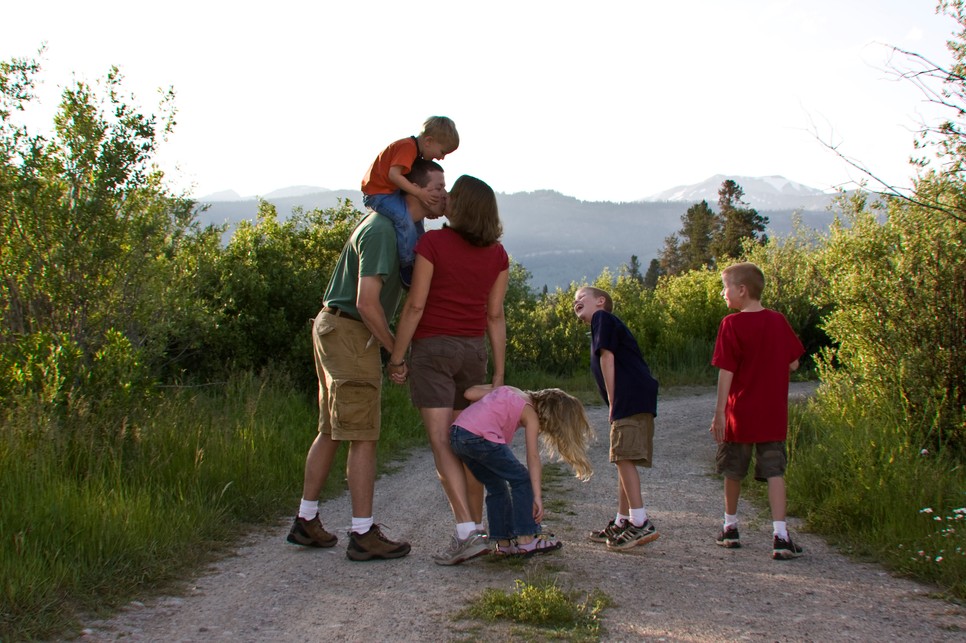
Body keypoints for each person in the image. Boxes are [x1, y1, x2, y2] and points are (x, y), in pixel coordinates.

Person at [286, 159, 446, 561]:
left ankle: (306, 521)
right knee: (363, 434)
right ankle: (362, 534)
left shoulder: (401, 230)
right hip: (352, 330)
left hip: (337, 327)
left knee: (333, 429)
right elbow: (367, 303)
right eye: (437, 186)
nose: (443, 194)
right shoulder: (381, 231)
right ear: (411, 189)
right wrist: (395, 353)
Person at [387, 174, 509, 566]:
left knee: (442, 444)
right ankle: (476, 527)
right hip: (473, 354)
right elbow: (495, 316)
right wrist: (499, 376)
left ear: (461, 206)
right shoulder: (498, 254)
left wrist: (396, 356)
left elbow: (415, 307)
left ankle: (467, 532)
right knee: (466, 443)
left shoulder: (433, 243)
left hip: (433, 352)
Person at [709, 262, 806, 560]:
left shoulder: (731, 324)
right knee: (775, 472)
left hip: (740, 414)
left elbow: (726, 372)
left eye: (726, 288)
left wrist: (720, 413)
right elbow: (793, 363)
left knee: (733, 471)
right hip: (772, 414)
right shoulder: (778, 321)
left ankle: (731, 528)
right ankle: (780, 535)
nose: (724, 294)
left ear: (741, 290)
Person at [449, 384, 594, 557]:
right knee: (522, 479)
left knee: (496, 485)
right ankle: (526, 539)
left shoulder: (511, 390)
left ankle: (503, 543)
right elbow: (532, 457)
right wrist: (537, 497)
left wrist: (494, 388)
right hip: (480, 437)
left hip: (458, 435)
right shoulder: (530, 414)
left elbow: (469, 393)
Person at [573, 286, 661, 551]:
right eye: (574, 300)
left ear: (600, 302)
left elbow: (607, 357)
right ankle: (623, 521)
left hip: (628, 398)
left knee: (622, 456)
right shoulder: (603, 325)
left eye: (581, 298)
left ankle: (640, 521)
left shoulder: (603, 319)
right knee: (624, 458)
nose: (575, 302)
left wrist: (613, 400)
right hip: (637, 396)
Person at [361, 116, 459, 287]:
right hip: (379, 193)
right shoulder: (407, 147)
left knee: (416, 224)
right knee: (404, 219)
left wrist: (427, 208)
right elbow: (394, 175)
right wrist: (420, 193)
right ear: (428, 141)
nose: (441, 158)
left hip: (389, 191)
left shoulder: (414, 152)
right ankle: (407, 264)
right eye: (442, 152)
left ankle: (420, 256)